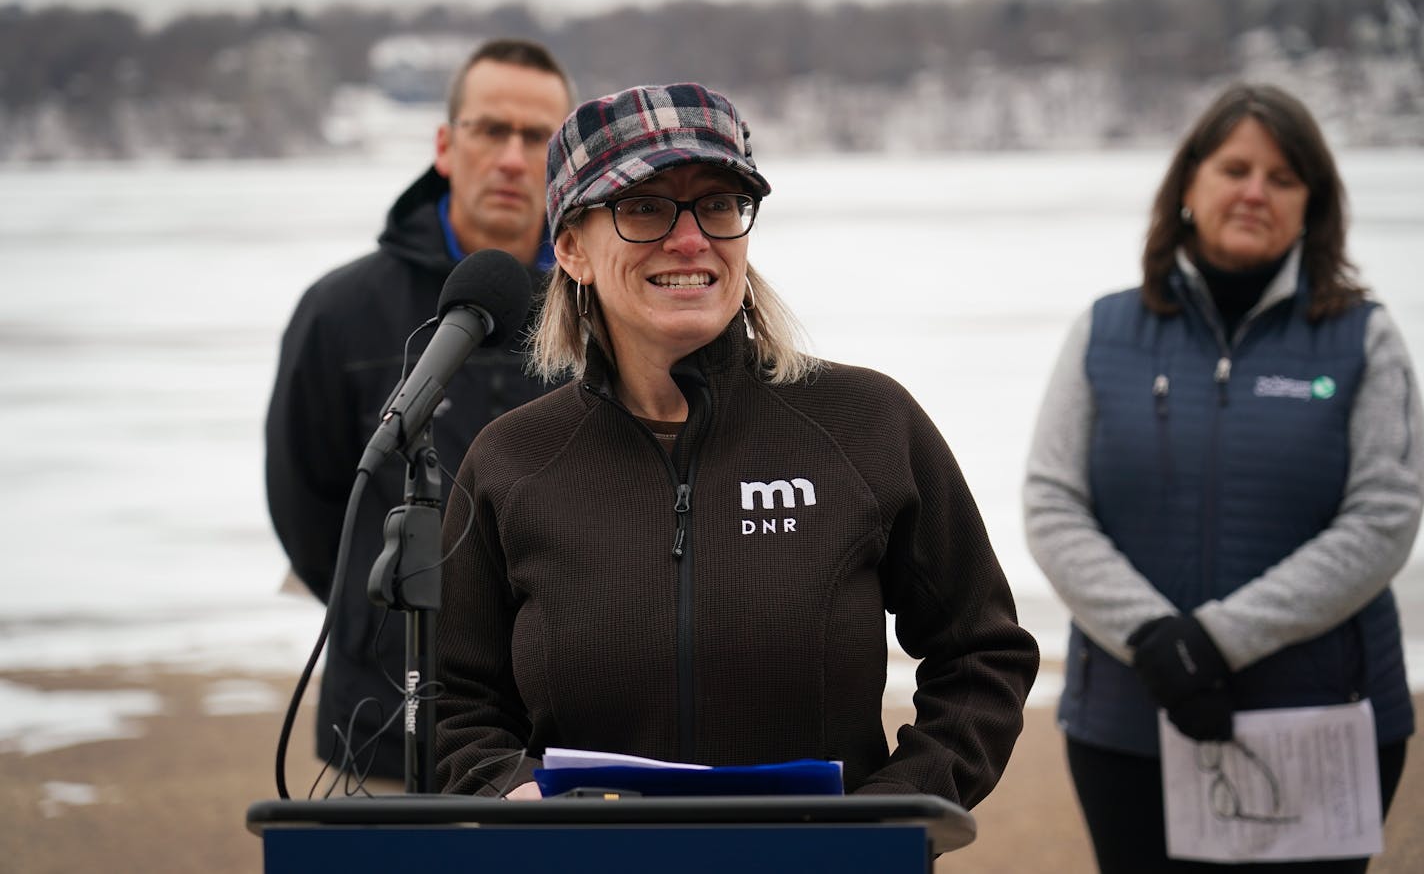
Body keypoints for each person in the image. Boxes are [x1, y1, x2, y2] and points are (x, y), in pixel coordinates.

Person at [432, 81, 1039, 805]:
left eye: (719, 204)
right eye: (644, 207)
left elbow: (982, 652)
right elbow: (450, 698)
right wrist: (506, 788)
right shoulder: (512, 461)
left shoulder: (866, 423)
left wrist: (899, 808)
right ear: (571, 248)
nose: (690, 239)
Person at [1024, 82, 1423, 872]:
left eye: (1282, 178)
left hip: (1321, 727)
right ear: (1188, 187)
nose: (1253, 191)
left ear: (1314, 204)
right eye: (1235, 167)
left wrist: (1214, 639)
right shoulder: (1104, 331)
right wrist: (1153, 639)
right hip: (1131, 720)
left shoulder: (1363, 338)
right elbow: (1052, 503)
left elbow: (1383, 519)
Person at [265, 38, 574, 786]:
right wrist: (385, 614)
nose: (510, 157)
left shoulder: (608, 316)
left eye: (536, 138)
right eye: (488, 129)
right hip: (381, 727)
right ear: (445, 144)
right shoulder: (341, 311)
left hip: (555, 740)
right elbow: (310, 512)